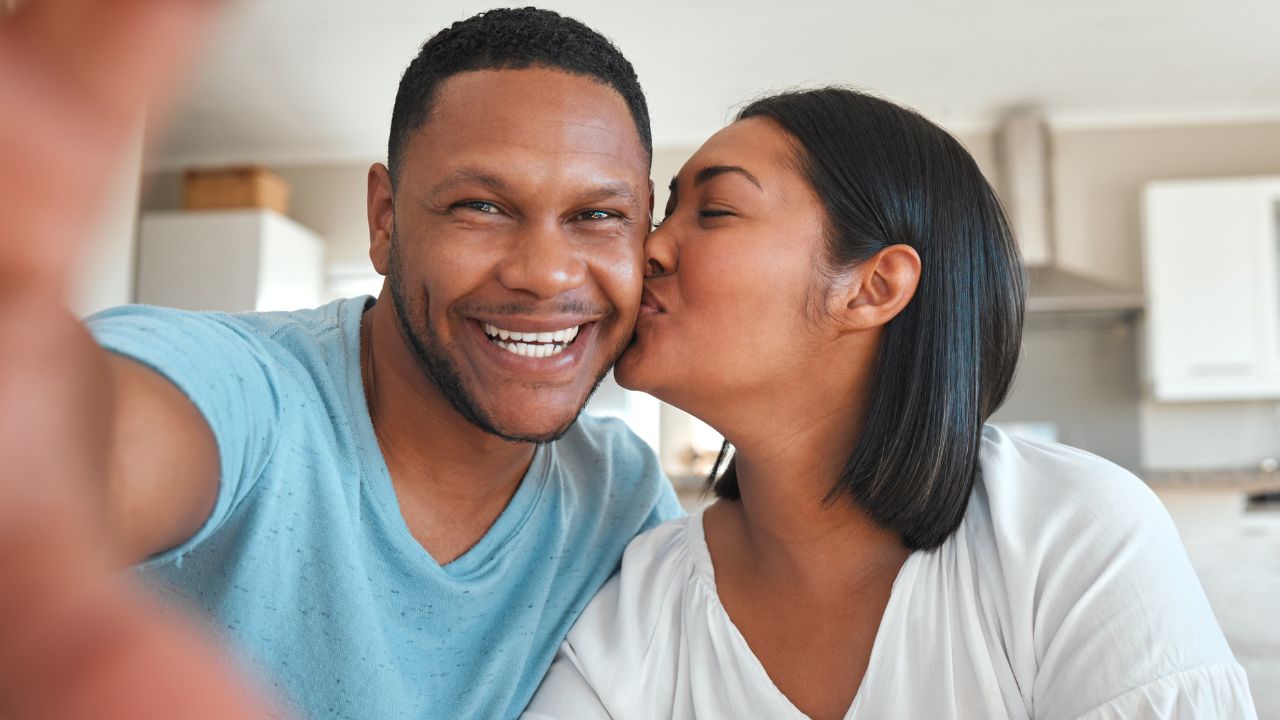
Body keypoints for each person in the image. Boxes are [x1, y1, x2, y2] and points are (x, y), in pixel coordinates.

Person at [1, 5, 682, 719]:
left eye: (599, 216)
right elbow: (98, 445)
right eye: (481, 206)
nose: (546, 274)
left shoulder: (623, 498)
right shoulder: (251, 393)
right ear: (385, 221)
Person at [525, 88, 1257, 719]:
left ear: (872, 287)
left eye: (714, 210)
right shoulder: (640, 606)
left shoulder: (1070, 534)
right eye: (665, 212)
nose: (646, 249)